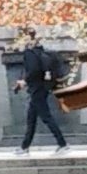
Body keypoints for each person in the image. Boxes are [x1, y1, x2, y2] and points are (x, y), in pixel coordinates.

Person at [11, 28, 69, 156]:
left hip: (37, 89)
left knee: (46, 117)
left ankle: (62, 144)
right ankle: (25, 147)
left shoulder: (29, 53)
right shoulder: (40, 51)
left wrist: (24, 81)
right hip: (42, 87)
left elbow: (33, 71)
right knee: (31, 118)